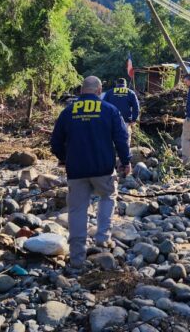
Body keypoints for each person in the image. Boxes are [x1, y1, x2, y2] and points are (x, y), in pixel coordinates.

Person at [50, 76, 131, 270]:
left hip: (76, 169)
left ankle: (77, 257)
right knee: (108, 196)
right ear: (99, 90)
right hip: (103, 168)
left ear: (81, 91)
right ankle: (102, 239)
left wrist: (63, 157)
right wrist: (126, 161)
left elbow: (55, 143)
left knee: (77, 210)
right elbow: (122, 138)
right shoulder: (110, 110)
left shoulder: (68, 112)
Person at [103, 77, 140, 145]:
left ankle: (113, 154)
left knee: (112, 140)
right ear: (125, 84)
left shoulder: (109, 92)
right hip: (126, 120)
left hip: (112, 120)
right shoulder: (130, 92)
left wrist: (105, 118)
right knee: (125, 140)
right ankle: (125, 154)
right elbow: (136, 107)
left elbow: (103, 106)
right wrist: (134, 119)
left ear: (117, 84)